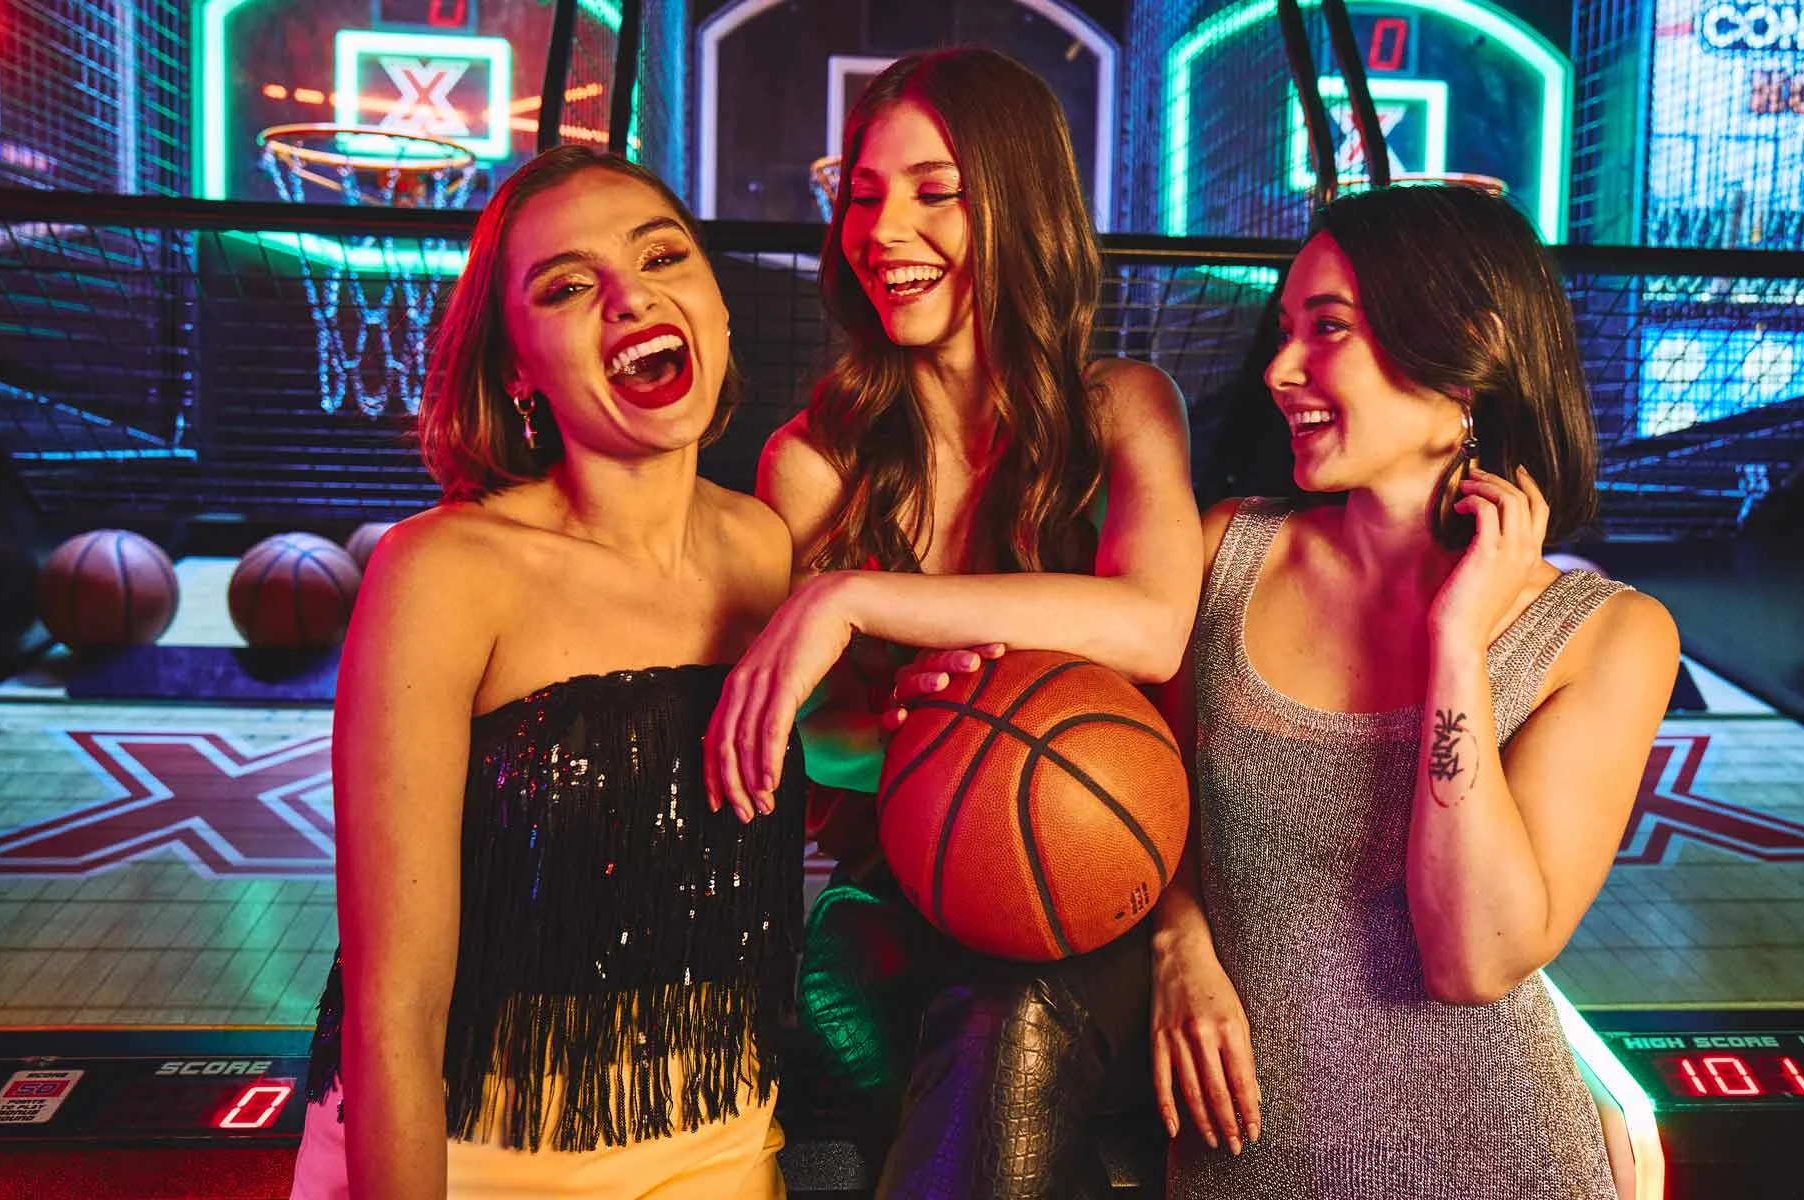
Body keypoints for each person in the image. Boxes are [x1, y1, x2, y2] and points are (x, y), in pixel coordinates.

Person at [701, 48, 1204, 1198]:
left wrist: (856, 596)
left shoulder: (1124, 410)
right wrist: (911, 742)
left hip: (1098, 887)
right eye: (864, 195)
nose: (885, 230)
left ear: (1021, 200)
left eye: (937, 192)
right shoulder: (814, 460)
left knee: (1007, 1017)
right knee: (853, 1011)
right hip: (894, 890)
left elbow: (1153, 625)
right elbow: (814, 736)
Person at [288, 146, 806, 1199]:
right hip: (476, 1151)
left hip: (718, 1133)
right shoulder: (441, 572)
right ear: (517, 367)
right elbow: (395, 1004)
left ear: (715, 309)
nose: (631, 297)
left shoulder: (764, 548)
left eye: (663, 256)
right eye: (568, 287)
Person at [1148, 184, 1681, 1198]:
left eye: (1329, 330)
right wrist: (1178, 942)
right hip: (1242, 1165)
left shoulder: (1609, 637)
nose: (1280, 369)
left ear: (1467, 351)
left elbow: (1474, 958)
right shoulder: (1225, 554)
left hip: (1498, 1164)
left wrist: (1455, 642)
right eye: (1286, 329)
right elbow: (1145, 806)